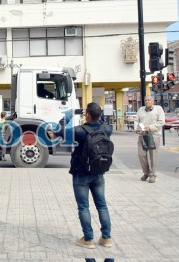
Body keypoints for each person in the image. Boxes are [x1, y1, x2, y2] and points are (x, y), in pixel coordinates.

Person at [59, 102, 113, 249]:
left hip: (81, 174)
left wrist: (68, 116)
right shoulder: (107, 129)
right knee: (102, 206)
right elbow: (100, 123)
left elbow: (59, 130)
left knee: (83, 207)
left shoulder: (79, 131)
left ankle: (88, 239)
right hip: (98, 173)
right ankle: (106, 238)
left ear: (87, 115)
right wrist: (96, 116)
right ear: (100, 115)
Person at [136, 95, 165, 183]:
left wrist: (151, 127)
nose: (147, 101)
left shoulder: (158, 109)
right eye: (145, 100)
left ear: (153, 101)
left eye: (149, 100)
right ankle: (146, 172)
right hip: (143, 135)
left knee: (153, 156)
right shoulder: (141, 109)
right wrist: (137, 128)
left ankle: (152, 175)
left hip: (154, 135)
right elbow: (137, 121)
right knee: (141, 155)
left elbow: (161, 122)